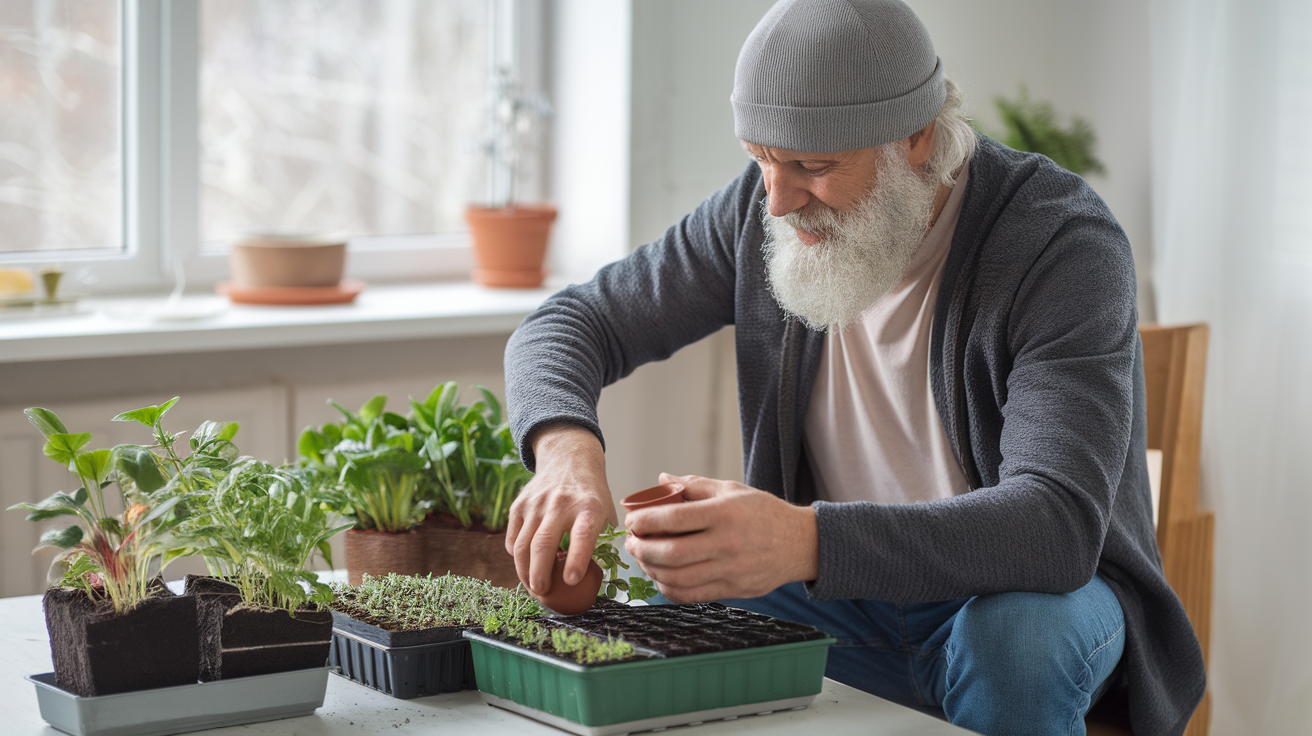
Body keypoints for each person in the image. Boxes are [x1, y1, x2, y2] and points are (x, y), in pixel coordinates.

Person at [501, 1, 1205, 734]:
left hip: (1026, 600)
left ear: (916, 138)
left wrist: (802, 540)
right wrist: (566, 458)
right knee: (660, 624)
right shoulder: (763, 210)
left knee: (1012, 642)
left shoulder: (1059, 244)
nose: (777, 200)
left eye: (813, 165)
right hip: (843, 600)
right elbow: (568, 323)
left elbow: (1055, 526)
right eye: (760, 158)